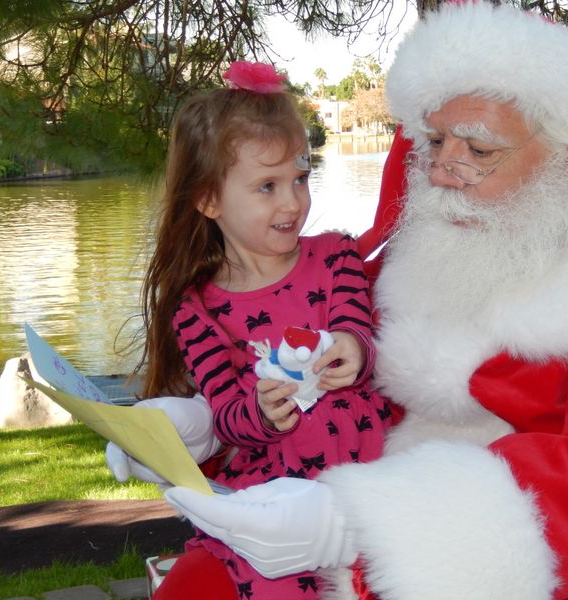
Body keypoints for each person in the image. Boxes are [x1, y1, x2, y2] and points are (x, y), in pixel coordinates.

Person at [132, 4, 568, 599]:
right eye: (434, 143)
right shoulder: (412, 258)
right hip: (383, 503)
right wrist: (205, 431)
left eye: (479, 150)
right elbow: (316, 388)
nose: (440, 170)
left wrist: (358, 521)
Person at [106, 61, 391, 599]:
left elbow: (359, 326)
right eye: (267, 186)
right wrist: (260, 412)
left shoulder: (337, 256)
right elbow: (228, 414)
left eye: (300, 178)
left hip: (368, 490)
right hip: (273, 511)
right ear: (208, 199)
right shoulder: (196, 310)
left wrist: (353, 347)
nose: (293, 202)